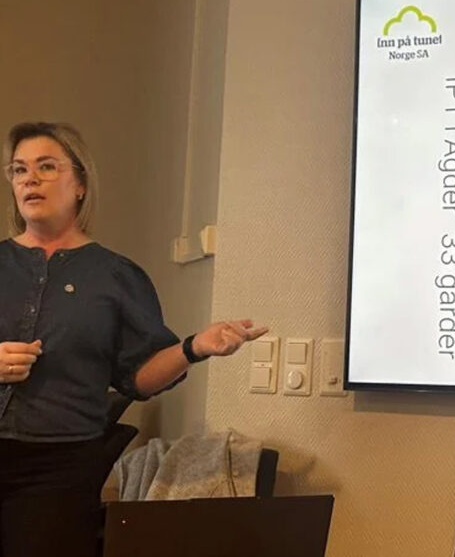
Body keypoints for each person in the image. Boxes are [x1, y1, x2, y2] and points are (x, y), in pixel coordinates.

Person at [0, 121, 267, 557]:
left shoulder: (116, 276)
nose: (30, 179)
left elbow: (137, 378)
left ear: (80, 183)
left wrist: (194, 347)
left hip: (60, 472)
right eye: (18, 169)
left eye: (46, 167)